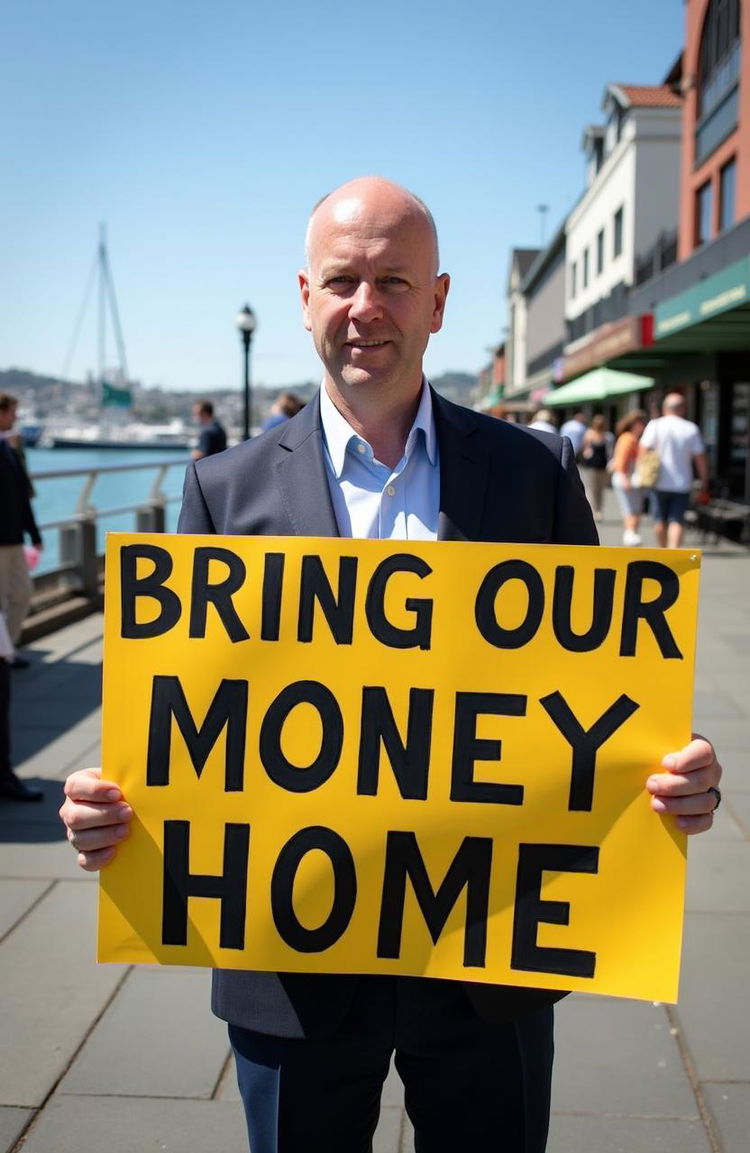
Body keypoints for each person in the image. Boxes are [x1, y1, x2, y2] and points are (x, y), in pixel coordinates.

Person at [59, 177, 723, 1153]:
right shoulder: (220, 488)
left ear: (440, 302)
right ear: (304, 297)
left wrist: (674, 771)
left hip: (486, 966)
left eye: (394, 282)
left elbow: (604, 696)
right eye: (343, 281)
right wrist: (117, 806)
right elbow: (193, 724)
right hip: (289, 976)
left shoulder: (534, 473)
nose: (365, 307)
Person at [0, 393, 43, 673]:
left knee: (22, 594)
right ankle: (5, 654)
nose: (16, 417)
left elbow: (22, 493)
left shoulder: (8, 448)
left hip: (13, 537)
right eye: (13, 412)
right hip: (2, 539)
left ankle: (8, 650)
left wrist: (34, 534)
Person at [640, 393, 709, 549]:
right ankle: (673, 550)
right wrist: (704, 480)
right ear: (683, 409)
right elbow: (700, 458)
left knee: (659, 520)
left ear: (665, 408)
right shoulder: (691, 428)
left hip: (658, 481)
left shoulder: (655, 425)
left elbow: (643, 450)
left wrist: (641, 473)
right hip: (682, 482)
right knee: (677, 520)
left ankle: (664, 550)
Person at [611, 409, 648, 546]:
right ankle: (630, 533)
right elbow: (621, 460)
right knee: (631, 508)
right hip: (625, 476)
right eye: (641, 423)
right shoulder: (628, 438)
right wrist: (625, 478)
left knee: (633, 507)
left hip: (626, 476)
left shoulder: (628, 437)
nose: (643, 427)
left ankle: (631, 532)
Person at [578, 413, 613, 522]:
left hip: (603, 466)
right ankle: (594, 510)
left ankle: (599, 510)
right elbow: (584, 448)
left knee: (601, 489)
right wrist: (587, 452)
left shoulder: (608, 436)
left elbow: (610, 452)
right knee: (592, 489)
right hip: (591, 466)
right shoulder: (589, 434)